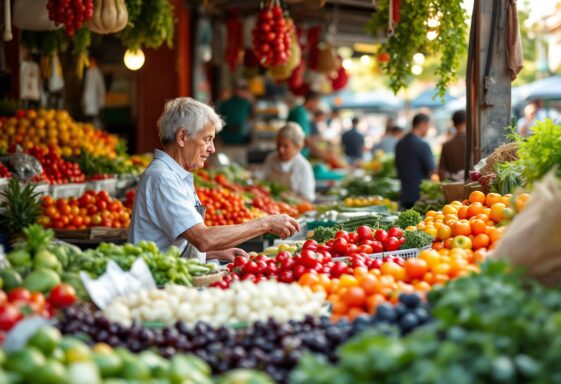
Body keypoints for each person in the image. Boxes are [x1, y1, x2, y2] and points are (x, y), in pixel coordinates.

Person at [129, 98, 300, 263]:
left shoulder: (175, 174)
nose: (212, 148)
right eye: (207, 139)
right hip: (158, 285)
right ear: (182, 137)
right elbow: (203, 238)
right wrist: (266, 223)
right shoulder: (162, 178)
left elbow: (177, 243)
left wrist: (212, 254)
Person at [259, 123, 315, 202]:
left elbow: (307, 198)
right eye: (278, 145)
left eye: (286, 146)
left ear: (298, 147)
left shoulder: (303, 167)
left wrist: (288, 198)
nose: (281, 150)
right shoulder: (271, 158)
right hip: (269, 208)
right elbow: (260, 179)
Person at [395, 113, 435, 209]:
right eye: (428, 127)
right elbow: (432, 169)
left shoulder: (400, 143)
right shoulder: (422, 145)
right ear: (422, 125)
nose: (428, 130)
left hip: (404, 193)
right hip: (419, 196)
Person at [287, 91, 322, 157]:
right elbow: (305, 138)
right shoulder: (300, 113)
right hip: (297, 154)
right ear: (312, 101)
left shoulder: (302, 112)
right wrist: (320, 153)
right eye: (318, 103)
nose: (317, 106)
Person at [439, 110, 467, 181]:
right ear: (467, 121)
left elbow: (441, 172)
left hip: (453, 187)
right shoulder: (474, 143)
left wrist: (452, 176)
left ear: (453, 124)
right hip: (474, 188)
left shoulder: (446, 145)